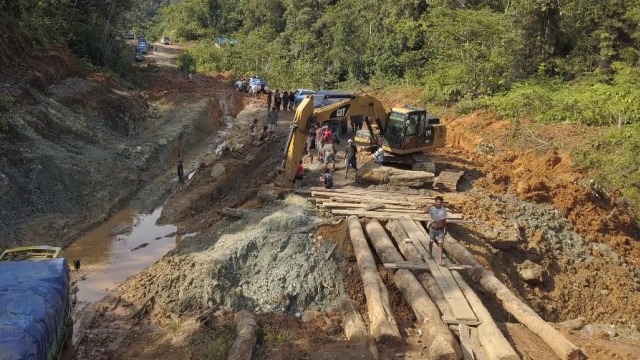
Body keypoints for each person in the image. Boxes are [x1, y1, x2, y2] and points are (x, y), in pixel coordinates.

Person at [427, 196, 448, 266]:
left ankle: (440, 260)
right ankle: (430, 254)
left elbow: (444, 219)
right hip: (433, 228)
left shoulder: (444, 210)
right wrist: (430, 205)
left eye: (440, 202)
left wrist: (446, 228)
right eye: (438, 202)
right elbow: (424, 211)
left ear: (442, 203)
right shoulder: (432, 209)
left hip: (441, 229)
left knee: (440, 244)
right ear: (435, 202)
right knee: (431, 242)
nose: (439, 203)